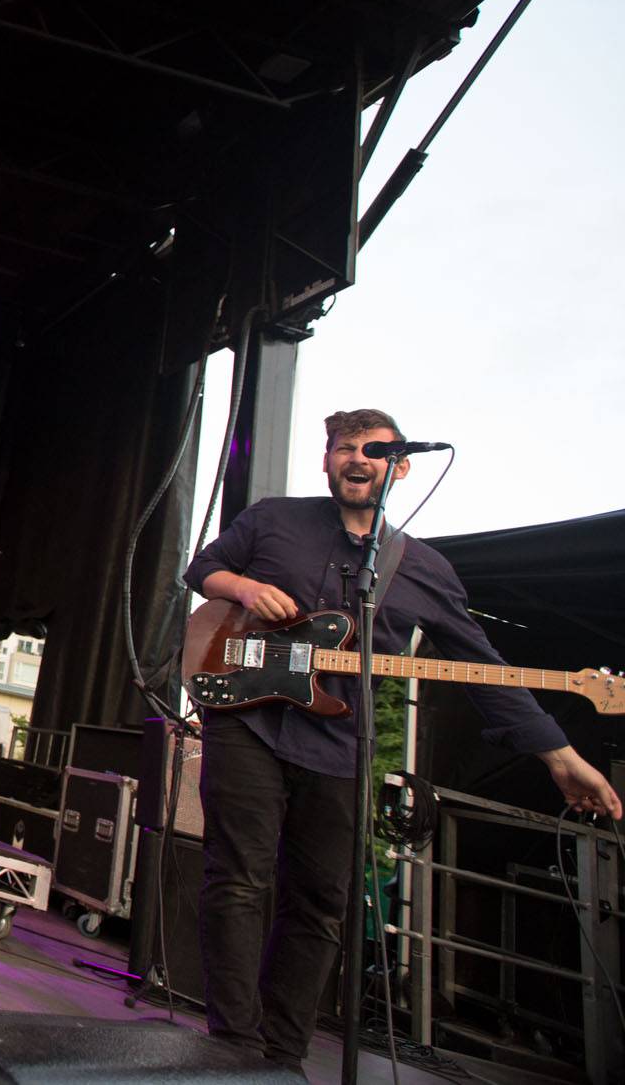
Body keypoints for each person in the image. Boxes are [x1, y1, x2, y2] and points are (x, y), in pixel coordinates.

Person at [183, 407, 620, 1070]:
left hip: (337, 742)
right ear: (325, 460)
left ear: (402, 466)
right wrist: (243, 584)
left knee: (323, 901)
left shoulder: (422, 569)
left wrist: (559, 753)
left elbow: (482, 667)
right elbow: (203, 569)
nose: (358, 458)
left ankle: (280, 1056)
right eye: (345, 447)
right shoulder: (274, 518)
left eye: (375, 449)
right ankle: (235, 1043)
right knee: (239, 876)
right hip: (246, 718)